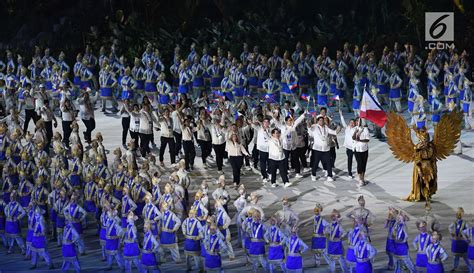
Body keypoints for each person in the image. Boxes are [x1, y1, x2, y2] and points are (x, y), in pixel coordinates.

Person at [309, 116, 339, 182]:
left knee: (328, 162)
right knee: (316, 162)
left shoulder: (326, 127)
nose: (321, 122)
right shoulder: (315, 127)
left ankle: (329, 176)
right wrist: (308, 120)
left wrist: (340, 127)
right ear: (317, 121)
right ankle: (313, 174)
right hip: (317, 149)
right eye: (320, 120)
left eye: (322, 121)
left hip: (326, 149)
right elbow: (309, 127)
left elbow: (334, 132)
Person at [449, 207, 471, 271]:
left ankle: (470, 267)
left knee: (465, 256)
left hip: (462, 241)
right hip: (456, 241)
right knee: (456, 256)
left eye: (462, 212)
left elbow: (468, 230)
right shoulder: (455, 222)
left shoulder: (464, 222)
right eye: (461, 212)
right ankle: (455, 267)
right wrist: (452, 233)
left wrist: (466, 236)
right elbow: (449, 227)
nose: (462, 213)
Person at [339, 109, 356, 178]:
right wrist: (341, 115)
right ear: (349, 123)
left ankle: (360, 171)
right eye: (351, 122)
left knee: (359, 160)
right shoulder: (347, 128)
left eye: (353, 123)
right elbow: (343, 122)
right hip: (349, 148)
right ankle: (350, 173)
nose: (352, 124)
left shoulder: (356, 128)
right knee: (350, 160)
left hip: (356, 147)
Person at [352, 118, 370, 186]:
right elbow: (353, 138)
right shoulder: (354, 129)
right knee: (359, 164)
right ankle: (360, 179)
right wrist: (355, 132)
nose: (357, 122)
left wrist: (360, 140)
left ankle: (363, 178)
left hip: (364, 149)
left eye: (359, 121)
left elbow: (367, 139)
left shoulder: (365, 129)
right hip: (357, 150)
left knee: (364, 164)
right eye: (356, 121)